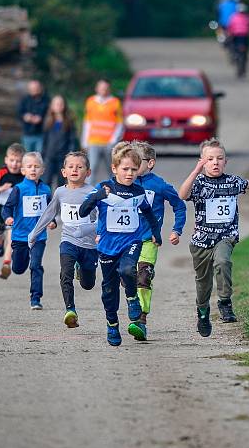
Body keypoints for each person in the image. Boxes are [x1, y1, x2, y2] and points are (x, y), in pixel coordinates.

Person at [177, 138, 249, 337]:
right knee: (203, 282)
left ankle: (225, 302)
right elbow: (182, 194)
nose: (215, 162)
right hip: (201, 241)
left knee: (223, 261)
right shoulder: (198, 183)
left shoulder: (232, 182)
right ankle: (203, 311)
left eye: (219, 158)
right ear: (202, 162)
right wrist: (196, 171)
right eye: (210, 159)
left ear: (226, 161)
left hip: (226, 236)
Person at [79, 144, 162, 346]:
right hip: (107, 246)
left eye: (134, 170)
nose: (130, 174)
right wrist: (97, 197)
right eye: (125, 169)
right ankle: (112, 323)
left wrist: (156, 233)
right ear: (114, 168)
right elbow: (82, 211)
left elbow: (149, 213)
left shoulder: (138, 191)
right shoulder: (104, 188)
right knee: (109, 289)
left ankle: (132, 298)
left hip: (131, 242)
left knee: (128, 269)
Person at [28, 151, 98, 328]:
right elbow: (49, 213)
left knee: (88, 284)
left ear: (88, 172)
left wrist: (89, 230)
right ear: (63, 172)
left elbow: (101, 220)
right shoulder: (60, 192)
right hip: (68, 241)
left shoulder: (92, 192)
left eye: (80, 167)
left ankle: (81, 267)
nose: (75, 169)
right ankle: (70, 310)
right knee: (65, 273)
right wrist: (34, 233)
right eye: (71, 166)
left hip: (89, 245)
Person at [132, 141, 186, 327]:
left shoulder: (159, 185)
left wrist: (176, 230)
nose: (131, 166)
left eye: (137, 161)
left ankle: (141, 316)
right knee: (127, 277)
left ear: (150, 163)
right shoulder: (122, 183)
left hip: (149, 240)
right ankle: (133, 304)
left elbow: (179, 206)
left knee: (144, 277)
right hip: (124, 241)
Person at [2, 152, 52, 309]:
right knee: (18, 268)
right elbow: (7, 207)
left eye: (36, 167)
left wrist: (52, 222)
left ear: (42, 170)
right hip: (20, 236)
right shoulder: (19, 189)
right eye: (29, 167)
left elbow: (50, 210)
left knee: (36, 265)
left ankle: (35, 298)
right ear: (23, 170)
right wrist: (8, 218)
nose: (33, 170)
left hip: (38, 236)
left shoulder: (46, 190)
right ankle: (16, 265)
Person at [0, 143, 25, 279]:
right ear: (6, 160)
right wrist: (1, 188)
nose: (14, 164)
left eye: (18, 161)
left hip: (15, 213)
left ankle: (6, 263)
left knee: (12, 236)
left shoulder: (25, 176)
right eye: (12, 160)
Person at [81, 78, 123, 184]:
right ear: (97, 88)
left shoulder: (115, 102)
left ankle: (117, 192)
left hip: (109, 143)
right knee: (91, 169)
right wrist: (84, 141)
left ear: (109, 89)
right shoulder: (90, 101)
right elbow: (87, 122)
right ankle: (89, 194)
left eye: (105, 88)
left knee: (112, 170)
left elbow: (119, 124)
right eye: (101, 87)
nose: (103, 90)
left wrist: (113, 140)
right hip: (93, 141)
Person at [41, 95, 77, 189]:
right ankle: (47, 203)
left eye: (61, 104)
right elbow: (45, 141)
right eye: (56, 104)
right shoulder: (48, 121)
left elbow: (72, 140)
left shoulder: (69, 121)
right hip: (49, 157)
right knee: (46, 181)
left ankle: (59, 203)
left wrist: (70, 155)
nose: (59, 106)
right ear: (52, 106)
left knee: (61, 183)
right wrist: (43, 156)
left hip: (63, 157)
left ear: (64, 105)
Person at [17, 80, 50, 154]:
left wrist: (41, 118)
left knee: (39, 156)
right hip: (27, 134)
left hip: (41, 134)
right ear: (29, 89)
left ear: (40, 88)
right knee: (27, 156)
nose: (35, 90)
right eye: (32, 88)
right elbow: (19, 114)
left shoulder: (46, 100)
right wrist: (25, 116)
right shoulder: (24, 100)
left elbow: (50, 114)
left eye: (36, 88)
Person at [227, 3, 249, 77]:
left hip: (236, 36)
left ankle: (233, 55)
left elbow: (230, 26)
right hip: (245, 36)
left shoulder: (233, 17)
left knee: (232, 45)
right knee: (246, 51)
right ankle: (243, 61)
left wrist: (230, 33)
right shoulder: (248, 17)